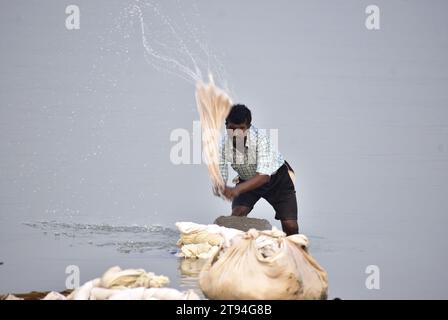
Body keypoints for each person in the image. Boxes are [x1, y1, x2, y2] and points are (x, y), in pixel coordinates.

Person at [217, 104, 299, 235]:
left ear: (248, 127)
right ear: (226, 126)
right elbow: (221, 173)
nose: (236, 134)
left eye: (242, 129)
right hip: (247, 181)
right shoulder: (222, 145)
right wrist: (220, 186)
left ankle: (296, 251)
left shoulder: (261, 139)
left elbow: (264, 176)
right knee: (236, 215)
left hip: (277, 180)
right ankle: (238, 249)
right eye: (232, 128)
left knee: (291, 227)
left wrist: (236, 190)